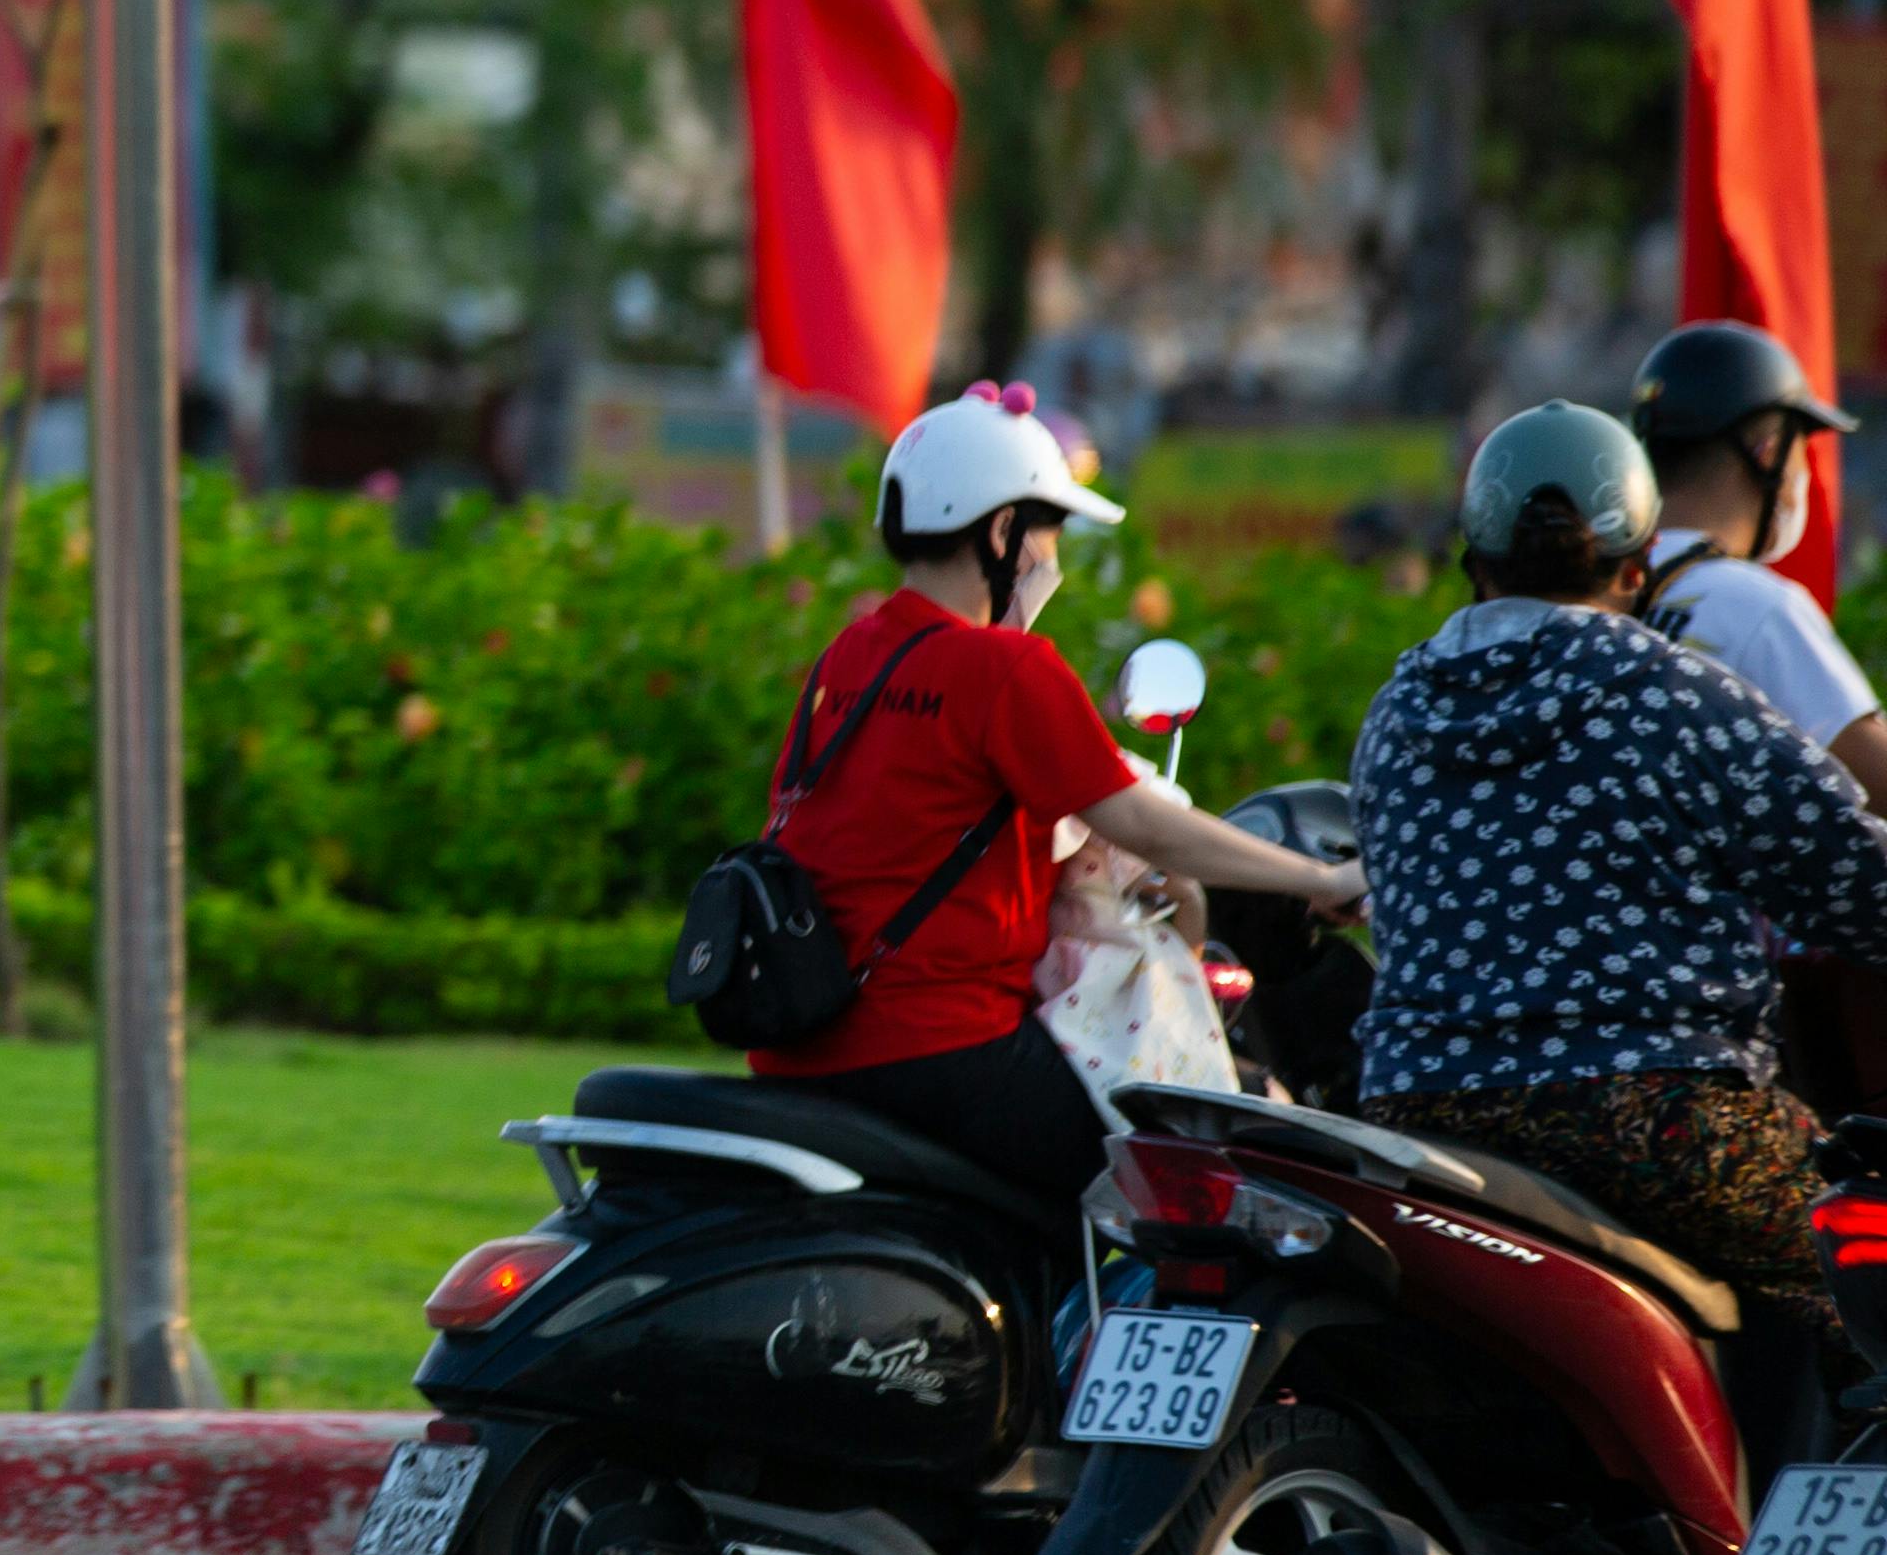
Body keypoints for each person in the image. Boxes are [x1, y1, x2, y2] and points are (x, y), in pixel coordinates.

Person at [749, 382, 1366, 1208]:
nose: (1053, 558)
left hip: (803, 1042)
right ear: (1002, 531)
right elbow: (1150, 827)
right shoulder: (1005, 669)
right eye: (1050, 531)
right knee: (1191, 1180)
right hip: (946, 1046)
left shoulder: (847, 658)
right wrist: (1321, 881)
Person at [1356, 400, 1887, 1318]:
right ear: (1640, 568)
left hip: (1413, 1123)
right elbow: (1853, 877)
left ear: (1474, 565)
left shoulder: (1396, 711)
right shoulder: (1672, 692)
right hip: (1651, 1120)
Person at [1633, 322, 1887, 801]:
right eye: (1802, 450)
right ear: (1768, 454)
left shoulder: (1593, 587)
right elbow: (1875, 779)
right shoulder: (1757, 607)